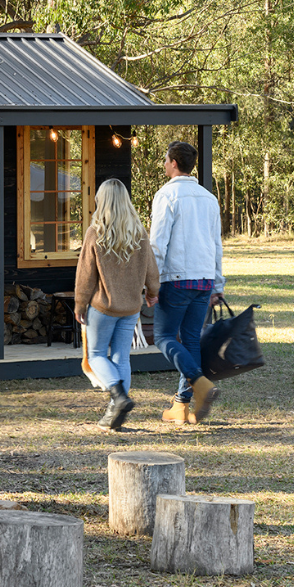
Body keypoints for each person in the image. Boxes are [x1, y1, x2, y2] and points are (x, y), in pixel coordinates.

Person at [74, 178, 160, 430]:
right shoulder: (139, 232)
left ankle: (119, 397)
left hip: (103, 307)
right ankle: (115, 414)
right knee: (122, 358)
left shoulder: (95, 232)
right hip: (131, 307)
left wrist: (80, 304)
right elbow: (151, 269)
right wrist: (152, 292)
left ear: (102, 201)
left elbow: (85, 275)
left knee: (96, 355)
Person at [150, 139, 224, 424]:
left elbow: (158, 244)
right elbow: (217, 244)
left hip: (177, 278)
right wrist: (217, 284)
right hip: (204, 278)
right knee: (191, 338)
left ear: (174, 163)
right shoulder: (208, 197)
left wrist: (151, 282)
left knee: (164, 337)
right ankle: (181, 404)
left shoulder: (167, 195)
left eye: (166, 160)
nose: (164, 164)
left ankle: (199, 383)